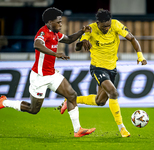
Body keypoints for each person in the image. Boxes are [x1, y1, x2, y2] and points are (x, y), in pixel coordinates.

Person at [0, 7, 95, 137]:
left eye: (61, 22)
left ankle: (77, 130)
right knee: (34, 109)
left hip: (51, 74)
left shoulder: (56, 34)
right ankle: (4, 102)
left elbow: (68, 39)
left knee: (72, 95)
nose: (61, 24)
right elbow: (37, 45)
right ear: (50, 22)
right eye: (58, 22)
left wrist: (81, 32)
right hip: (39, 77)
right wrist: (55, 54)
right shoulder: (43, 33)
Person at [60, 9, 147, 137]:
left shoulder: (116, 25)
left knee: (100, 101)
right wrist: (82, 42)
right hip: (98, 68)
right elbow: (76, 48)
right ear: (98, 23)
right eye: (103, 26)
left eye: (108, 25)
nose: (107, 28)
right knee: (113, 92)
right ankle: (121, 128)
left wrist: (140, 56)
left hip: (112, 68)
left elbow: (132, 38)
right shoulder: (90, 29)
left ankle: (71, 100)